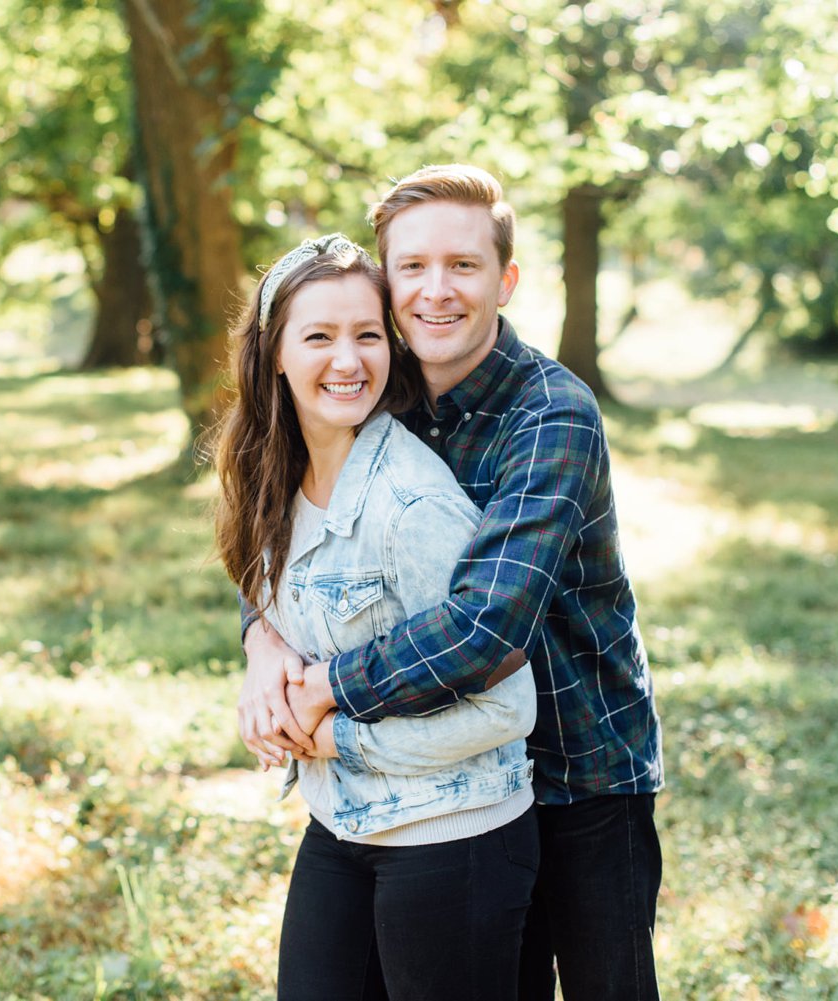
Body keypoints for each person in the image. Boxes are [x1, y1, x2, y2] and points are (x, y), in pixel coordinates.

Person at [238, 166, 665, 1001]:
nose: (438, 291)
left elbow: (485, 626)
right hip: (443, 779)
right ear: (384, 280)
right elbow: (298, 532)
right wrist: (261, 635)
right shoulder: (376, 394)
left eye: (464, 266)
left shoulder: (551, 414)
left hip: (579, 767)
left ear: (505, 280)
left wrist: (321, 690)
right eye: (413, 267)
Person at [214, 233, 542, 1000]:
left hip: (453, 832)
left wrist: (332, 732)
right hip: (342, 822)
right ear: (275, 355)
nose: (348, 360)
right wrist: (262, 654)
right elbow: (269, 599)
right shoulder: (274, 477)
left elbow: (506, 703)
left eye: (367, 334)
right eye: (319, 336)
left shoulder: (410, 504)